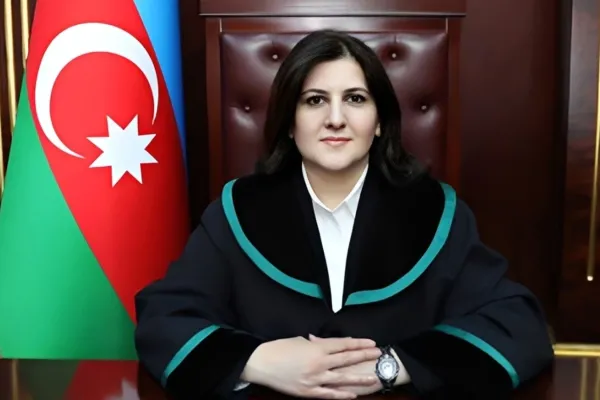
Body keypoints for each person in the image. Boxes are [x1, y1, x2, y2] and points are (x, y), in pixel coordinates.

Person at [133, 29, 554, 400]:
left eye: (355, 99)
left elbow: (518, 326)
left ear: (379, 122)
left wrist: (391, 367)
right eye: (315, 100)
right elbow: (164, 319)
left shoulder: (436, 212)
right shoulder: (236, 211)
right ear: (290, 123)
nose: (335, 119)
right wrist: (259, 361)